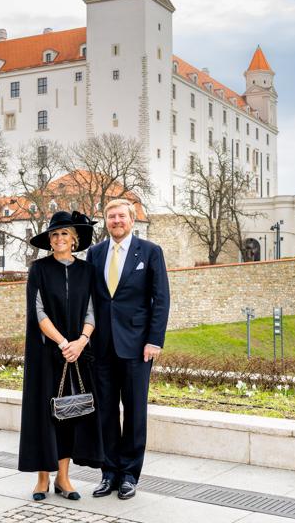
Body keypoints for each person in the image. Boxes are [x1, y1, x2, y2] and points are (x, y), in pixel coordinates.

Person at [86, 198, 170, 500]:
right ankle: (109, 473)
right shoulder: (94, 254)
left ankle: (129, 475)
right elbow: (90, 301)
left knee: (135, 412)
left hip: (137, 347)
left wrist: (154, 340)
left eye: (121, 216)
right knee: (105, 412)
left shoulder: (149, 252)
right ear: (105, 221)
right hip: (102, 347)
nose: (116, 221)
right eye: (111, 217)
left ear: (132, 220)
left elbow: (161, 300)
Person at [18, 210, 104, 502]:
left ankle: (64, 478)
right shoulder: (39, 269)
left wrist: (81, 341)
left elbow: (92, 310)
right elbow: (38, 311)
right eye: (54, 234)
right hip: (46, 353)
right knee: (44, 414)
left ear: (74, 239)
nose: (58, 239)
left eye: (64, 234)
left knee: (70, 413)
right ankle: (42, 478)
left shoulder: (86, 271)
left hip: (77, 354)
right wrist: (62, 342)